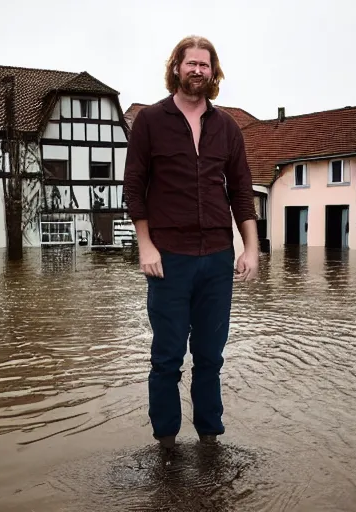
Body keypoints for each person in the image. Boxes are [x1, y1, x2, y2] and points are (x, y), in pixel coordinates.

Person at [123, 35, 259, 449]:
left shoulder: (227, 128)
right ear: (176, 68)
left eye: (205, 64)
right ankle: (165, 442)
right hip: (168, 258)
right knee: (166, 357)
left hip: (218, 258)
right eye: (190, 63)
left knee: (210, 357)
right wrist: (145, 246)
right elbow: (134, 188)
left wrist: (251, 248)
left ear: (212, 72)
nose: (197, 70)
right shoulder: (150, 121)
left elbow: (241, 191)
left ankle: (209, 440)